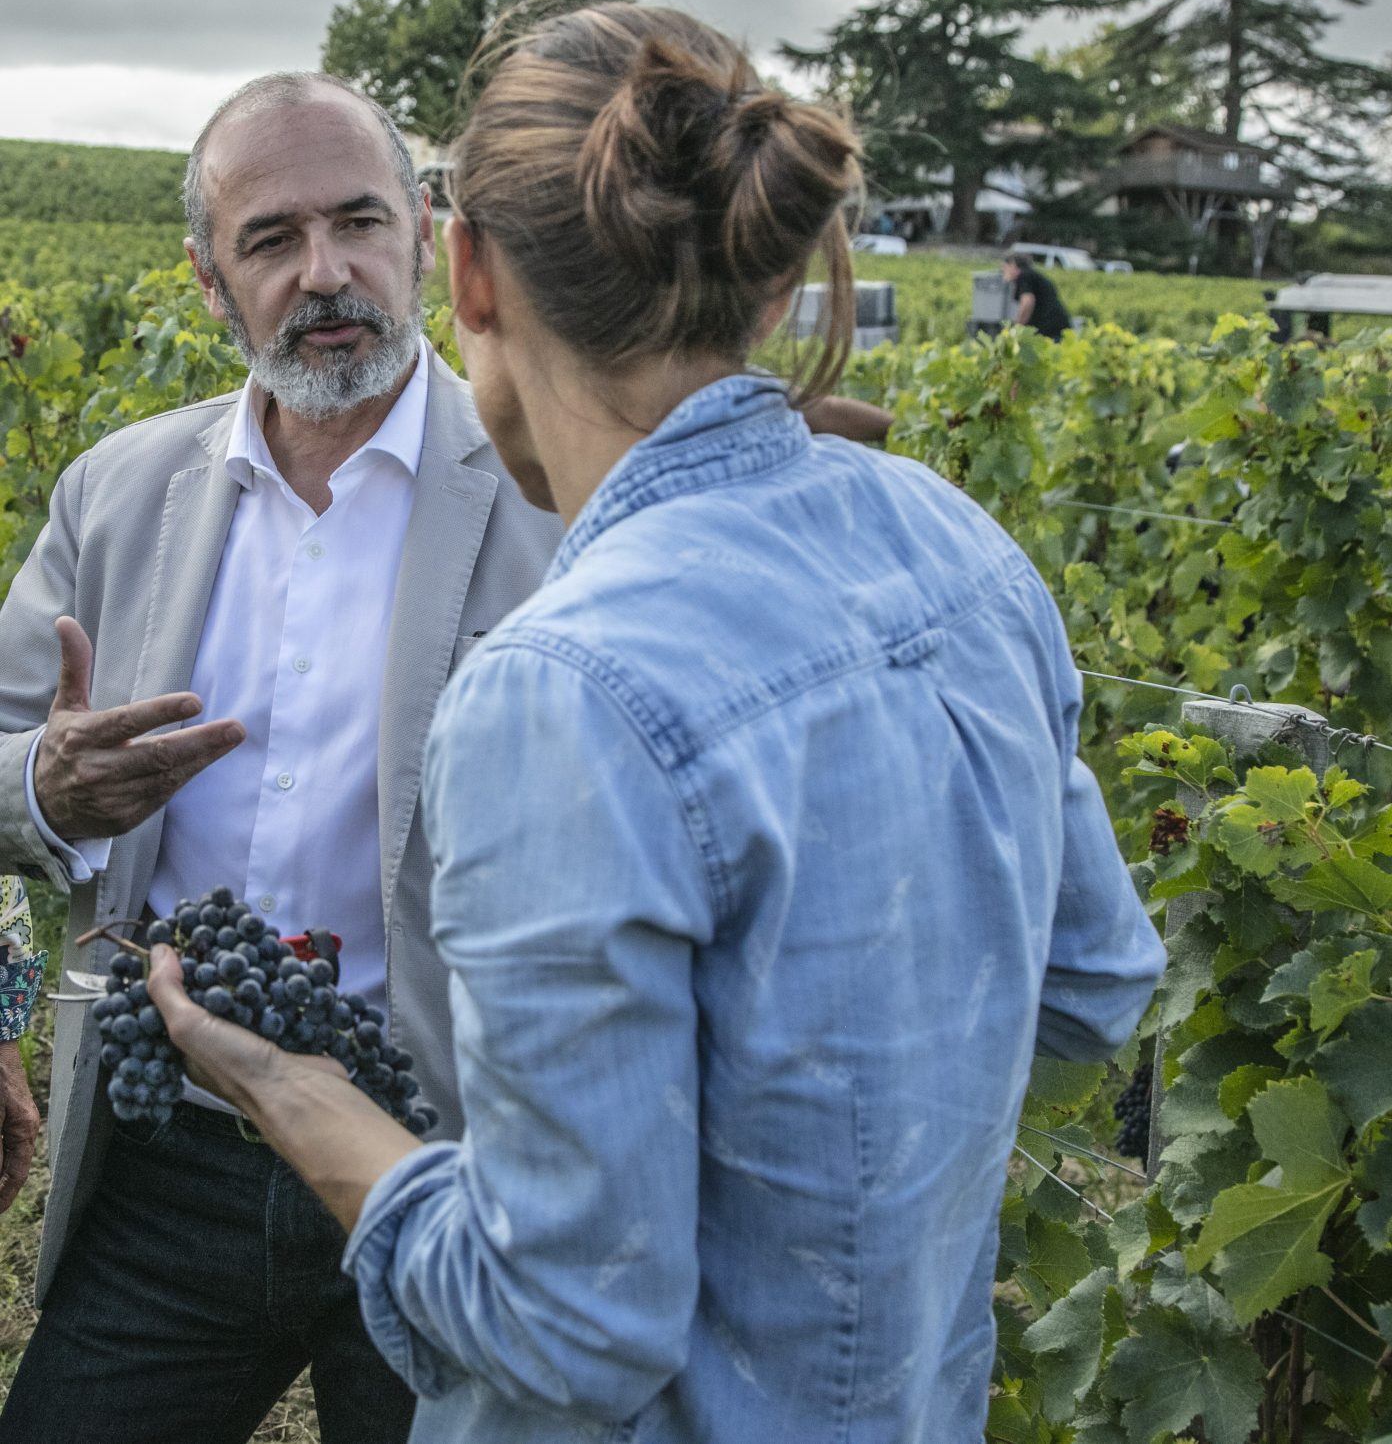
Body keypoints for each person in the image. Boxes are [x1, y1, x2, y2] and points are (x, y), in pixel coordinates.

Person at [145, 3, 1165, 1443]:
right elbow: (1094, 982)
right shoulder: (957, 540)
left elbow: (560, 1331)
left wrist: (294, 1094)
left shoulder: (559, 691)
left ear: (469, 270)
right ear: (760, 276)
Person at [0, 69, 890, 1443]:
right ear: (206, 280)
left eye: (360, 221)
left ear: (428, 234)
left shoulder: (575, 475)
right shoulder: (118, 492)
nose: (327, 271)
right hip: (171, 1150)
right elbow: (6, 754)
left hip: (459, 1157)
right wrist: (46, 791)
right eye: (272, 240)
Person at [1001, 248, 1072, 340]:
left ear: (1013, 265)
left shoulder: (1024, 276)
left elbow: (1027, 302)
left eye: (1005, 267)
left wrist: (1017, 329)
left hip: (1049, 330)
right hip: (1057, 326)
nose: (1003, 271)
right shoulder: (1032, 275)